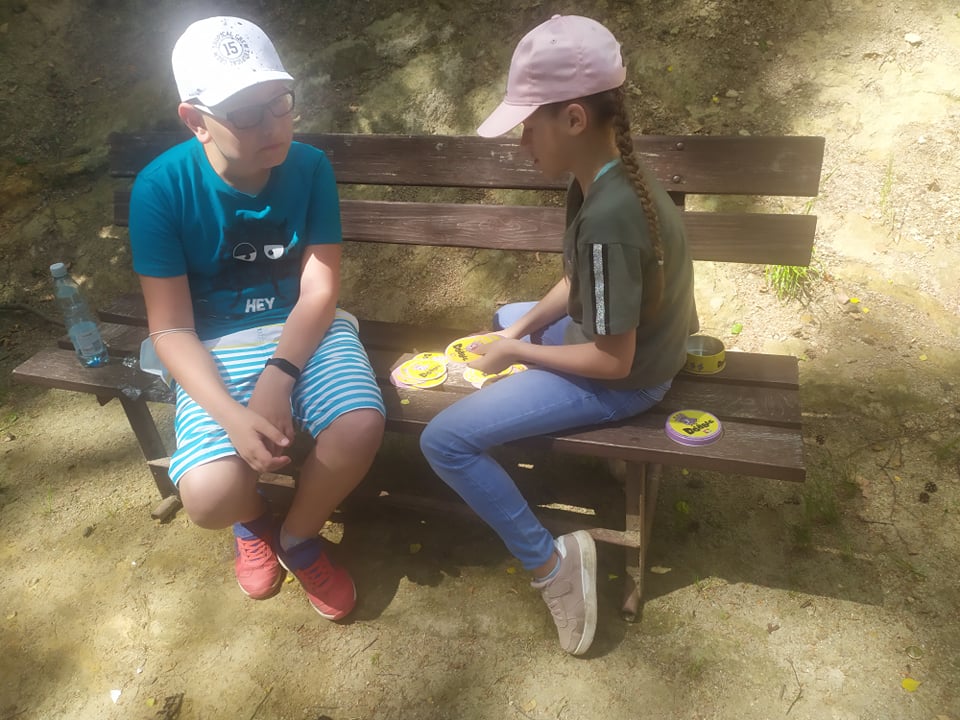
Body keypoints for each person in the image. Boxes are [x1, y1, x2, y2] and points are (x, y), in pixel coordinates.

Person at [419, 15, 698, 655]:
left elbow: (612, 360)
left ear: (574, 118)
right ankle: (531, 385)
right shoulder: (605, 179)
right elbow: (580, 282)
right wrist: (519, 327)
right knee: (503, 316)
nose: (522, 142)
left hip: (629, 380)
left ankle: (552, 566)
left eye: (528, 124)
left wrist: (516, 351)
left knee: (445, 442)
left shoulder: (609, 220)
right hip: (638, 345)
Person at [128, 16, 385, 621]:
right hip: (214, 343)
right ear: (196, 120)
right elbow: (170, 329)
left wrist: (279, 374)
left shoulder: (309, 167)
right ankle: (252, 520)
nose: (274, 126)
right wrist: (232, 415)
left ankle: (298, 535)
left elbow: (319, 288)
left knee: (358, 425)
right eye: (246, 114)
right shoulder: (160, 189)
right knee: (208, 498)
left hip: (304, 328)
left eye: (280, 102)